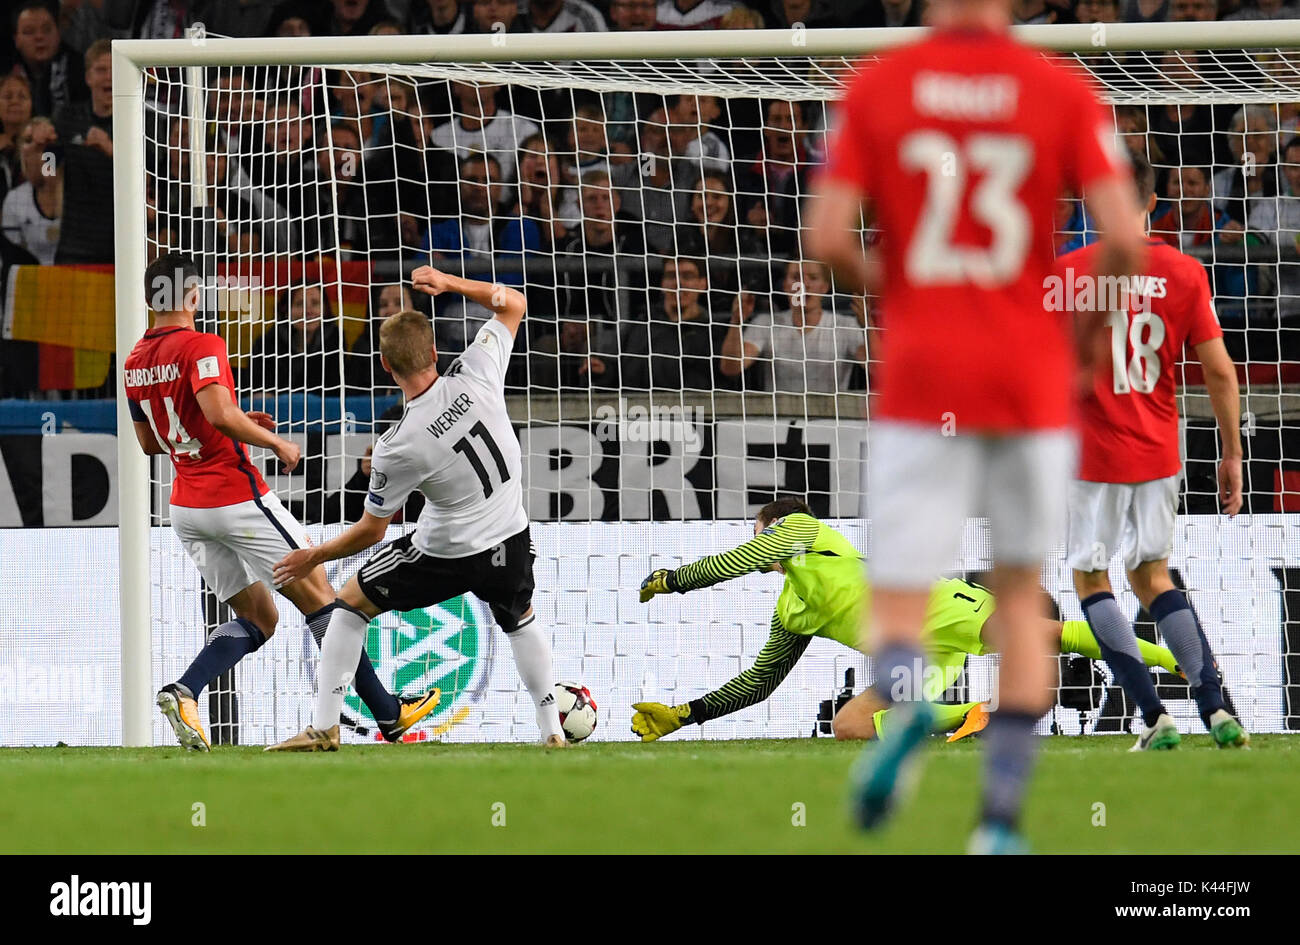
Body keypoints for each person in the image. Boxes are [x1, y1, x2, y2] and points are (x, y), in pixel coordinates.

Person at [807, 0, 1144, 852]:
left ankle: (905, 693)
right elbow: (1122, 240)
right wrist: (1078, 345)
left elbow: (827, 239)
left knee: (898, 591)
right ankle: (998, 823)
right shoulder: (1059, 90)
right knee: (1021, 592)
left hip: (924, 378)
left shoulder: (881, 86)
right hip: (1028, 378)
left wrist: (909, 295)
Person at [123, 253, 438, 750]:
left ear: (148, 299)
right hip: (234, 497)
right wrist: (273, 443)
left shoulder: (135, 361)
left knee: (260, 618)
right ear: (192, 296)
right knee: (321, 596)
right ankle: (387, 713)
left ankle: (184, 690)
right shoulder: (203, 344)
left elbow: (151, 443)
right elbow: (220, 415)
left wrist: (224, 420)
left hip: (186, 508)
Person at [268, 267, 567, 751]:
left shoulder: (397, 444)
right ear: (433, 352)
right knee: (519, 617)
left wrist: (312, 557)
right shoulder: (477, 372)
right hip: (510, 537)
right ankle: (552, 730)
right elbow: (513, 302)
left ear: (386, 366)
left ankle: (324, 727)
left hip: (445, 554)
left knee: (347, 605)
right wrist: (450, 284)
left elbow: (371, 532)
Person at [634, 498, 1181, 741]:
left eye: (761, 532)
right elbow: (759, 683)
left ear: (777, 527)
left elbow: (745, 559)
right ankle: (971, 715)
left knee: (1045, 638)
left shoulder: (806, 531)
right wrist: (686, 715)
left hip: (936, 609)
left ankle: (1170, 660)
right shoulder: (790, 611)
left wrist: (672, 579)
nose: (758, 544)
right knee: (850, 725)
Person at [1060, 155, 1249, 751]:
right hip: (1159, 452)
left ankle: (1152, 716)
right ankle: (1216, 710)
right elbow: (1219, 371)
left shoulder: (1063, 275)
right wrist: (1232, 454)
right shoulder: (1185, 271)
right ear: (1152, 203)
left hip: (1091, 457)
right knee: (1152, 575)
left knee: (1092, 579)